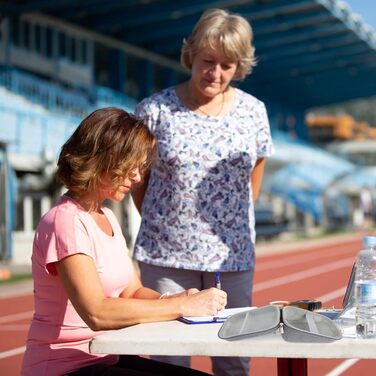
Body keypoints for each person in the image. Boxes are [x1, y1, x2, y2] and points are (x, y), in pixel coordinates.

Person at [21, 108, 227, 376]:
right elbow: (96, 312)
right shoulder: (65, 221)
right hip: (65, 367)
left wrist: (177, 298)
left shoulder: (106, 215)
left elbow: (132, 292)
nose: (138, 177)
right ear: (103, 157)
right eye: (131, 165)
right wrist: (181, 306)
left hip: (105, 357)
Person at [131, 8, 274, 376]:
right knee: (169, 360)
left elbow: (252, 181)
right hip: (165, 257)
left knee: (233, 357)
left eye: (228, 65)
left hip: (232, 260)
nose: (216, 73)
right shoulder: (154, 111)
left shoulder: (254, 113)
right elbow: (137, 180)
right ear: (190, 54)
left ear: (240, 66)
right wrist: (169, 221)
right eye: (208, 61)